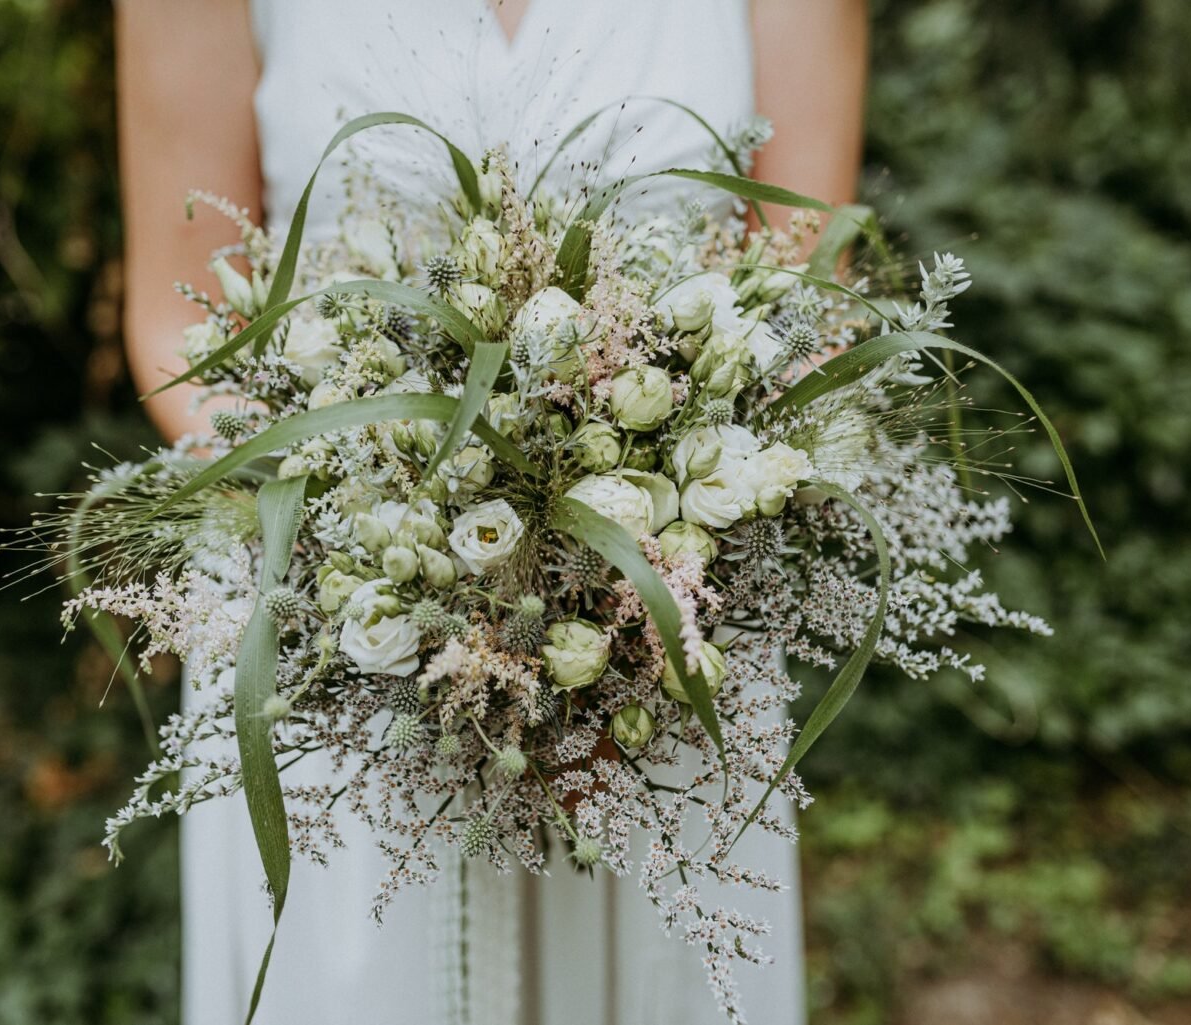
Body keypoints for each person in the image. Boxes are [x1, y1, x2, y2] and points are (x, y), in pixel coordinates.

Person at [116, 3, 867, 1022]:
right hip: (339, 622)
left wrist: (627, 601)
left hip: (671, 625)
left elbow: (811, 291)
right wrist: (377, 532)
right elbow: (180, 316)